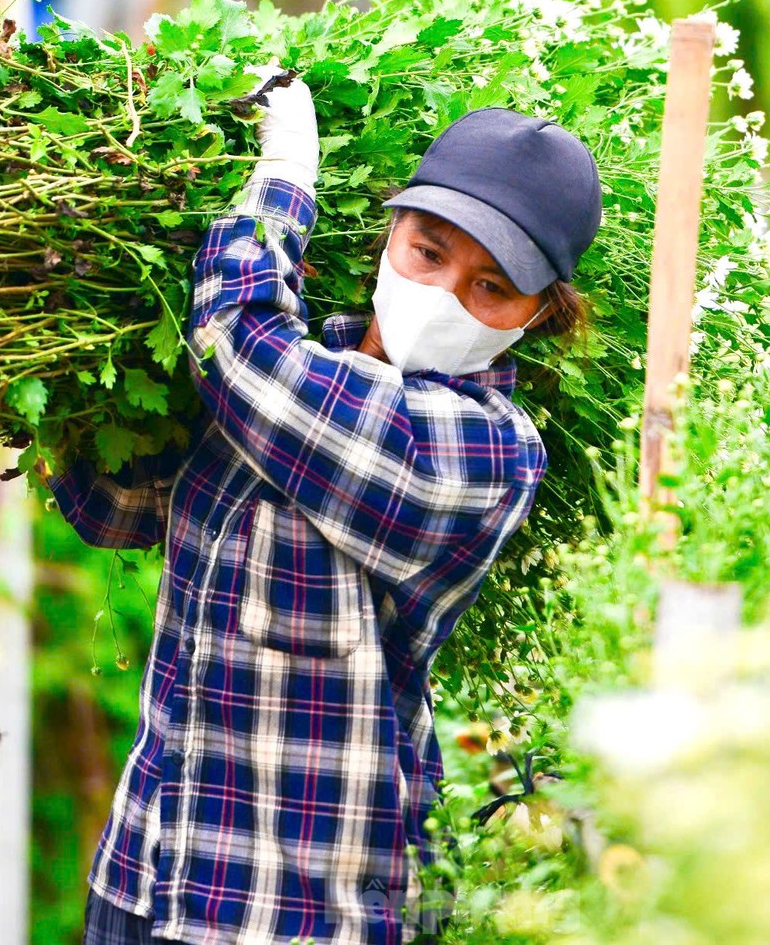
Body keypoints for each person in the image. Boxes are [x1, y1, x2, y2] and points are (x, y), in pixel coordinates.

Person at [46, 71, 603, 945]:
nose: (448, 295)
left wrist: (282, 182)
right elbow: (111, 511)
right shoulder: (306, 357)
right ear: (389, 238)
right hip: (144, 877)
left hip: (300, 917)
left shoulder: (484, 453)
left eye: (491, 287)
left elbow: (236, 338)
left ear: (538, 316)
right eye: (429, 252)